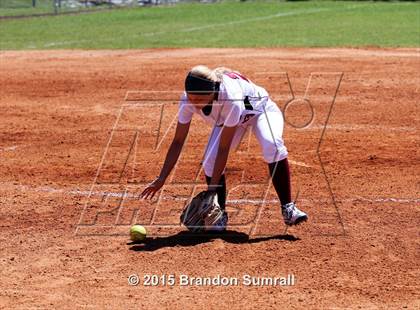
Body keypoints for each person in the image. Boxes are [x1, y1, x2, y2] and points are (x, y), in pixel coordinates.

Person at [141, 65, 308, 231]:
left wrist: (212, 191)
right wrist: (162, 178)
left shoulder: (230, 99)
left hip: (261, 112)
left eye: (199, 99)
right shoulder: (187, 100)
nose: (194, 104)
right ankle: (219, 215)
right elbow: (178, 141)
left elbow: (224, 149)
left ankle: (288, 208)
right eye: (191, 98)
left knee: (272, 145)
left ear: (212, 92)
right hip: (229, 120)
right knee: (210, 162)